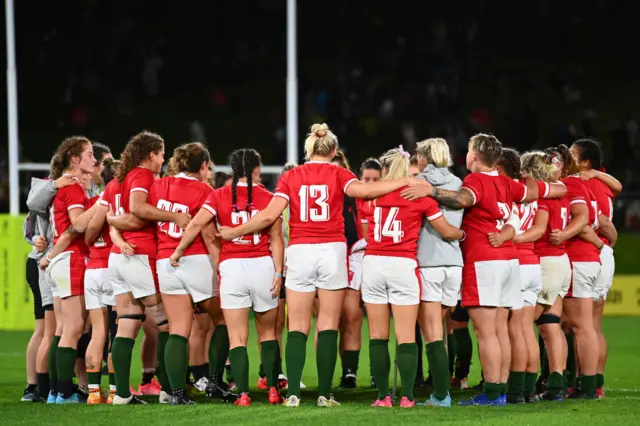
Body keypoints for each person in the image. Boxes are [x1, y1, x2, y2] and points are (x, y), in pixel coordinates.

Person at [219, 123, 419, 407]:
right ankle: (325, 393)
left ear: (308, 149)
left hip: (300, 250)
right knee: (327, 323)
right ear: (334, 151)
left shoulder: (291, 175)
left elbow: (268, 216)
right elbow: (364, 192)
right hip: (332, 251)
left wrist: (234, 231)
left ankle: (294, 395)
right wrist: (404, 181)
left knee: (297, 325)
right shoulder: (339, 172)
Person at [402, 133, 539, 406]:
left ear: (474, 155)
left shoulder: (475, 180)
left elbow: (462, 200)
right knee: (501, 330)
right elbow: (533, 193)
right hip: (509, 259)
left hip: (484, 259)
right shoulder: (506, 182)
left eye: (468, 150)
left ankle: (491, 393)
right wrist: (530, 172)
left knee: (486, 332)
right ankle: (501, 391)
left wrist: (430, 191)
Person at [171, 148, 284, 407]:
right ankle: (273, 390)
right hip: (262, 266)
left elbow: (197, 224)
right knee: (267, 334)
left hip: (233, 268)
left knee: (237, 336)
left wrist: (178, 250)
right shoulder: (269, 197)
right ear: (256, 170)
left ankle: (243, 394)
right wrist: (279, 271)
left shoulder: (218, 195)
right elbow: (277, 238)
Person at [362, 147, 464, 409]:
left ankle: (383, 396)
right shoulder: (418, 196)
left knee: (377, 335)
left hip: (373, 263)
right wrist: (462, 235)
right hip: (403, 264)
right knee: (406, 335)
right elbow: (444, 230)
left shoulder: (370, 196)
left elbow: (363, 227)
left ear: (384, 170)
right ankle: (407, 396)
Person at [105, 131, 190, 405]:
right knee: (167, 325)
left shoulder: (118, 179)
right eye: (161, 154)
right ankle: (168, 390)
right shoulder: (141, 176)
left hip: (118, 257)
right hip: (139, 255)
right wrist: (174, 216)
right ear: (150, 154)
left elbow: (115, 217)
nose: (163, 159)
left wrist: (115, 226)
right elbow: (138, 209)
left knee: (127, 324)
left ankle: (121, 395)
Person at [140, 142, 216, 405]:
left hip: (165, 260)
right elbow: (208, 233)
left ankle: (173, 393)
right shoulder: (206, 190)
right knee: (225, 320)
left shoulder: (158, 185)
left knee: (178, 330)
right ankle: (214, 382)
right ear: (204, 166)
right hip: (196, 258)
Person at [496, 148, 567, 404]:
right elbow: (559, 193)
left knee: (512, 330)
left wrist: (509, 237)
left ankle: (513, 391)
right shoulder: (535, 193)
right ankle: (525, 391)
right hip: (534, 263)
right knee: (527, 330)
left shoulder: (508, 190)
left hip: (515, 261)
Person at [44, 137, 99, 403]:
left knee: (62, 328)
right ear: (74, 159)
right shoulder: (74, 188)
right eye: (89, 154)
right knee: (74, 328)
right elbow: (78, 224)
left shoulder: (66, 187)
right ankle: (64, 392)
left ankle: (56, 391)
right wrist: (101, 204)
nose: (94, 160)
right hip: (71, 259)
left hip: (59, 261)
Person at [414, 138, 464, 407]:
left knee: (431, 332)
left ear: (424, 157)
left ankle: (441, 395)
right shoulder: (458, 184)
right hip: (454, 262)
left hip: (428, 262)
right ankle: (445, 389)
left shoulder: (419, 183)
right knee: (445, 329)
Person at [549, 144, 601, 399]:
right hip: (586, 258)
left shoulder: (572, 185)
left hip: (579, 258)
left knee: (581, 326)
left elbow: (582, 218)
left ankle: (588, 386)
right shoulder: (579, 185)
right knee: (579, 325)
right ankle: (580, 382)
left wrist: (562, 235)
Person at [570, 139, 620, 398]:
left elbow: (597, 219)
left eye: (571, 154)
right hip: (603, 253)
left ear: (585, 162)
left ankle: (583, 381)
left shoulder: (586, 184)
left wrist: (604, 241)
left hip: (591, 251)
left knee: (581, 326)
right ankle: (596, 383)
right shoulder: (602, 182)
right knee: (594, 325)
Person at [332, 152, 365, 389]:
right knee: (328, 320)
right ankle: (325, 374)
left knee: (352, 316)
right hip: (328, 258)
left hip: (353, 256)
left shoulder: (356, 199)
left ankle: (350, 372)